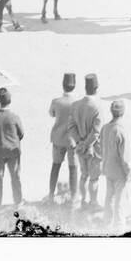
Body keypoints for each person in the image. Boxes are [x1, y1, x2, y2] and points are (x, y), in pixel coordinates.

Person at [69, 73, 105, 210]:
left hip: (80, 148)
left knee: (83, 175)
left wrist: (79, 143)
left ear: (85, 87)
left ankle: (83, 200)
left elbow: (71, 127)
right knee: (94, 178)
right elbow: (96, 132)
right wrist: (86, 144)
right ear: (96, 88)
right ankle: (93, 203)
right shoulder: (97, 107)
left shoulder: (75, 105)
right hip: (93, 149)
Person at [0, 87, 24, 208]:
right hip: (13, 151)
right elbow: (21, 134)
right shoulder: (15, 117)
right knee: (15, 177)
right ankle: (18, 201)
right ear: (10, 101)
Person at [48, 73, 80, 206]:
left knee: (55, 166)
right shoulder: (78, 102)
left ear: (63, 85)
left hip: (58, 138)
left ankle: (50, 195)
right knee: (73, 168)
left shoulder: (56, 101)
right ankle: (73, 196)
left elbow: (51, 113)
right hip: (72, 140)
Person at [101, 99, 131, 229]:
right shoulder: (121, 131)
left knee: (109, 196)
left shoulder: (105, 128)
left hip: (108, 168)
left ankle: (106, 223)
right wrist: (128, 171)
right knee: (120, 200)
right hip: (119, 171)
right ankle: (119, 226)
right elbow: (123, 156)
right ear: (123, 113)